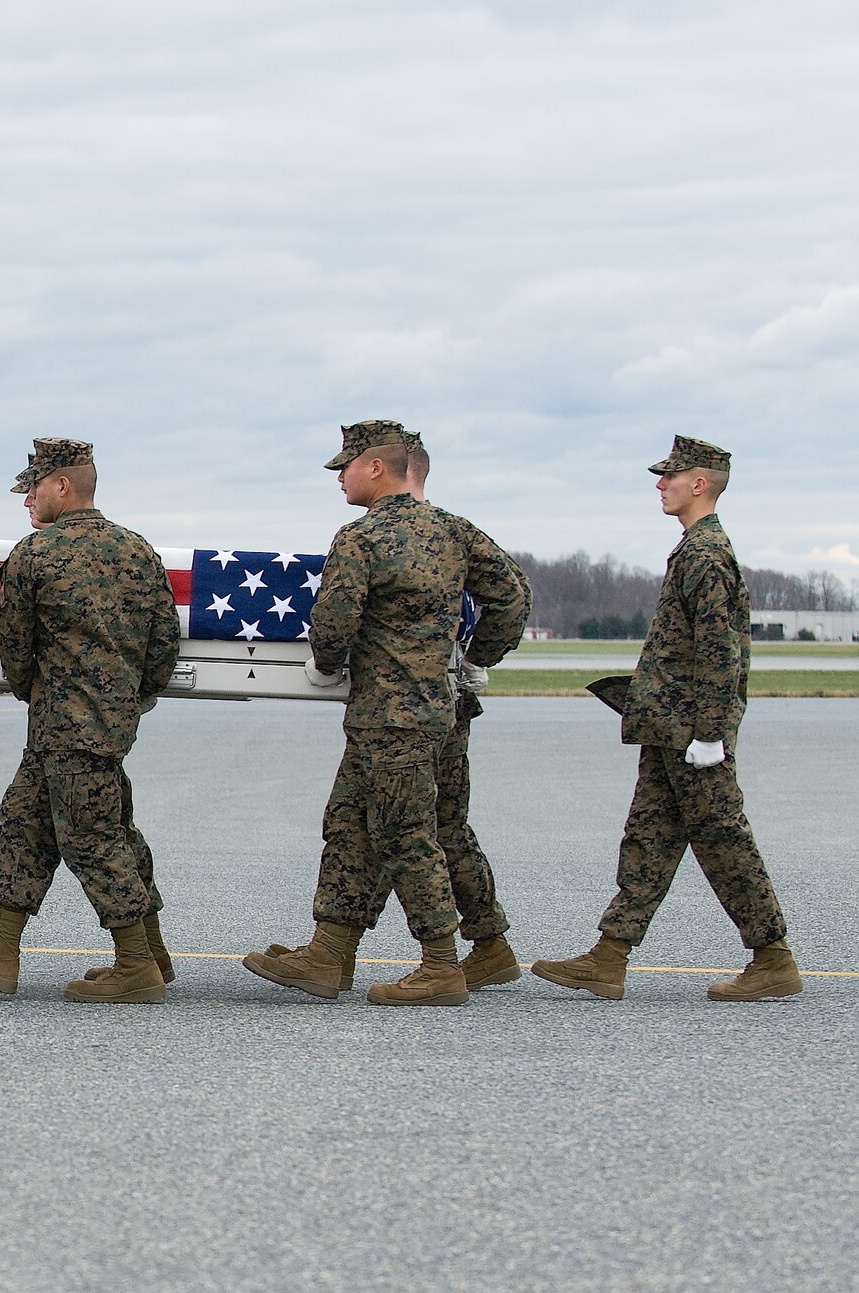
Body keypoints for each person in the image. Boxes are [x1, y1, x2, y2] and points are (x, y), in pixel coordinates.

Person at [245, 420, 526, 1006]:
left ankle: (441, 965)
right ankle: (331, 952)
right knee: (357, 823)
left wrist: (326, 664)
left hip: (388, 717)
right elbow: (512, 595)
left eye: (346, 465)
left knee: (405, 835)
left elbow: (335, 621)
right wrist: (475, 657)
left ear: (377, 467)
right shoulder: (455, 532)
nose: (340, 476)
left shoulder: (363, 538)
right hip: (444, 710)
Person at [532, 436, 802, 1002]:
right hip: (670, 728)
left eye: (670, 477)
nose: (661, 484)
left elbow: (719, 651)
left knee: (723, 839)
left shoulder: (706, 554)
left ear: (698, 484)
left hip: (690, 732)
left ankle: (773, 956)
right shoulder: (692, 549)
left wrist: (710, 733)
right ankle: (609, 956)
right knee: (649, 838)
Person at [0, 438, 180, 1004]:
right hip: (105, 723)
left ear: (62, 485)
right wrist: (129, 698)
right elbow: (164, 644)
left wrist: (31, 690)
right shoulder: (139, 551)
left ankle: (136, 964)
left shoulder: (36, 554)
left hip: (63, 720)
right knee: (26, 821)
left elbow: (13, 642)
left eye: (32, 488)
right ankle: (0, 949)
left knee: (91, 836)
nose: (27, 501)